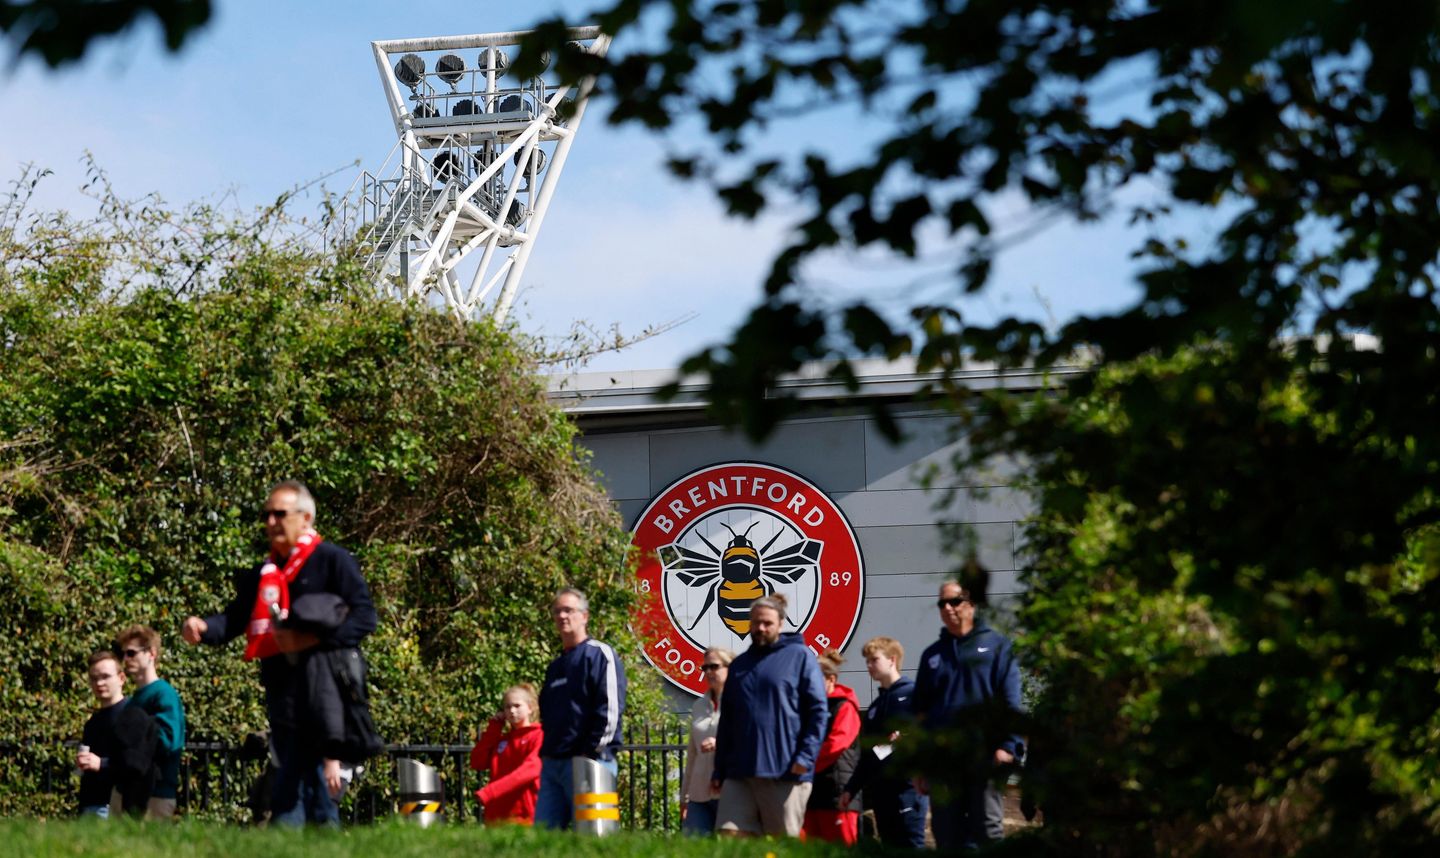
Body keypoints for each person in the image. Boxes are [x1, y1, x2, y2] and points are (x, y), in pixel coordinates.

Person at [181, 479, 376, 827]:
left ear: (305, 518)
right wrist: (204, 628)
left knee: (309, 781)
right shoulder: (265, 572)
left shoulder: (332, 560)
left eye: (280, 514)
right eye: (266, 515)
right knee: (292, 773)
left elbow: (364, 617)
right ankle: (302, 834)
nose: (271, 522)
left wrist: (312, 641)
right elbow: (235, 618)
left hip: (324, 687)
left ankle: (308, 833)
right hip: (282, 688)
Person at [913, 581, 1023, 850]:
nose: (947, 608)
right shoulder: (932, 656)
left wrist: (1009, 746)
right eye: (942, 603)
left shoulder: (997, 646)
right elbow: (920, 714)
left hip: (985, 757)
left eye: (954, 601)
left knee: (987, 831)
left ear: (972, 604)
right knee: (946, 834)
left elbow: (1011, 700)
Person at [711, 593, 828, 838]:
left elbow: (818, 711)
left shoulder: (800, 657)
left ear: (781, 624)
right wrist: (719, 769)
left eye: (767, 623)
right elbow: (727, 721)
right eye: (756, 622)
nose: (761, 628)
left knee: (782, 844)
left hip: (785, 771)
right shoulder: (740, 665)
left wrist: (806, 756)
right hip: (740, 772)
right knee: (729, 838)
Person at [534, 587, 627, 830]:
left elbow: (610, 710)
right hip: (553, 765)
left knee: (594, 838)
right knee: (543, 839)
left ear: (584, 616)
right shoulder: (555, 666)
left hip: (591, 761)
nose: (562, 616)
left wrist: (590, 751)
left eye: (568, 610)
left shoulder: (599, 654)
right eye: (557, 611)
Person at [838, 636, 929, 848]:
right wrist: (850, 789)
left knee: (911, 846)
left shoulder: (913, 695)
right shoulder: (875, 708)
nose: (869, 666)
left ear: (892, 660)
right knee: (889, 848)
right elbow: (868, 756)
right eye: (867, 661)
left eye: (874, 660)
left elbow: (928, 735)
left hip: (908, 790)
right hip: (882, 793)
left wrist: (906, 737)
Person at [113, 625, 186, 820]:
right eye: (123, 654)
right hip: (126, 792)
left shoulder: (164, 694)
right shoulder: (135, 699)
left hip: (154, 794)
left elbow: (168, 741)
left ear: (151, 654)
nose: (126, 659)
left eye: (131, 653)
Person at [802, 648, 862, 844]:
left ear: (831, 679)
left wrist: (804, 762)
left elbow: (836, 744)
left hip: (838, 792)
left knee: (841, 851)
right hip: (812, 791)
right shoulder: (808, 709)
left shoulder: (844, 706)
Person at [470, 683, 545, 826]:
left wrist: (490, 792)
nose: (512, 711)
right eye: (507, 707)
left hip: (524, 816)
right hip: (496, 816)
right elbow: (477, 761)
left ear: (530, 708)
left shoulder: (538, 736)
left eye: (517, 706)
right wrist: (494, 727)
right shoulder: (502, 740)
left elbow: (529, 770)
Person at [680, 646, 733, 836]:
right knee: (692, 845)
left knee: (731, 848)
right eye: (705, 668)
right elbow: (692, 755)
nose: (709, 672)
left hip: (730, 791)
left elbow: (750, 740)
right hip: (699, 794)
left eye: (714, 666)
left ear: (729, 668)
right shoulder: (699, 706)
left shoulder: (741, 702)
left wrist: (720, 743)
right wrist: (684, 796)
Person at [76, 650, 126, 818]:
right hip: (90, 807)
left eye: (105, 676)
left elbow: (139, 763)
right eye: (94, 678)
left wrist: (101, 764)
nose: (99, 683)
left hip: (118, 806)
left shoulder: (133, 715)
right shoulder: (93, 723)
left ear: (121, 678)